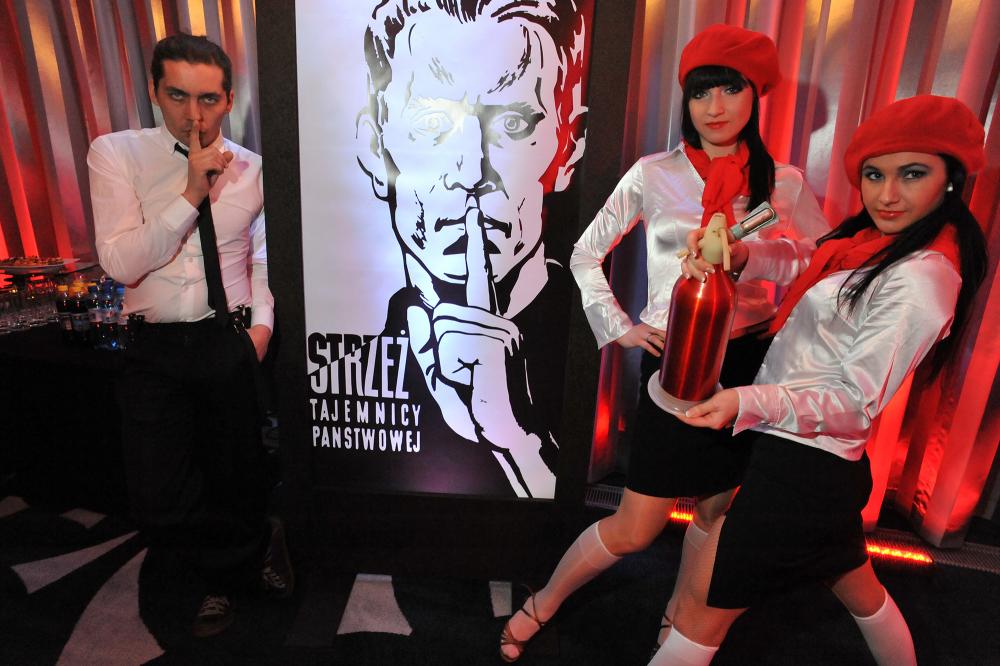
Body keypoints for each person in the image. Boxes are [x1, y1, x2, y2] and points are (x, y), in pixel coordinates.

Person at [499, 24, 830, 661]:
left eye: (730, 89)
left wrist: (751, 256)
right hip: (675, 359)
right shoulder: (654, 173)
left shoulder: (781, 183)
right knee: (635, 527)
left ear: (755, 96)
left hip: (749, 366)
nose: (715, 107)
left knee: (715, 511)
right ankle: (545, 602)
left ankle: (679, 622)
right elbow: (585, 251)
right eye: (701, 92)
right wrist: (619, 327)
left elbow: (817, 261)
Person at [652, 94, 988, 665]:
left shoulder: (922, 277)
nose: (887, 194)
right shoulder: (867, 242)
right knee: (860, 589)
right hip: (811, 457)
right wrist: (739, 255)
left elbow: (855, 402)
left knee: (699, 619)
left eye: (912, 174)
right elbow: (807, 260)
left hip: (805, 469)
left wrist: (746, 401)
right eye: (875, 175)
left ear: (951, 180)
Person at [88, 34, 292, 638]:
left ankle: (222, 579)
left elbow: (263, 259)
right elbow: (121, 264)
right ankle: (220, 560)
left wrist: (261, 328)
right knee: (158, 491)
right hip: (153, 345)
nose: (193, 114)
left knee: (236, 474)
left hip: (228, 339)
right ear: (155, 92)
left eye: (207, 99)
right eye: (177, 96)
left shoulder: (253, 168)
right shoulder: (116, 154)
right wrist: (190, 194)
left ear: (228, 99)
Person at [351, 0, 588, 499]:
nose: (471, 172)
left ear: (568, 146)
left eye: (513, 125)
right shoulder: (345, 376)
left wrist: (518, 442)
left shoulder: (591, 346)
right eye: (432, 123)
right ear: (375, 149)